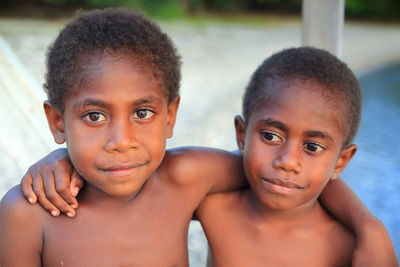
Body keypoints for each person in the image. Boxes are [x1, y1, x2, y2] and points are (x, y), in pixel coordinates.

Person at [1, 8, 396, 267]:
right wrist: (59, 159)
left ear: (170, 116)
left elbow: (288, 174)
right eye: (93, 116)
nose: (120, 140)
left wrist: (369, 228)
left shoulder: (186, 178)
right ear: (57, 122)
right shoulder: (26, 214)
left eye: (142, 113)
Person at [195, 47, 398, 266]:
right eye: (271, 136)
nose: (288, 161)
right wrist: (369, 225)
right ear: (242, 136)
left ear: (341, 162)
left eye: (312, 146)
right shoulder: (214, 207)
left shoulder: (349, 248)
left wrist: (370, 230)